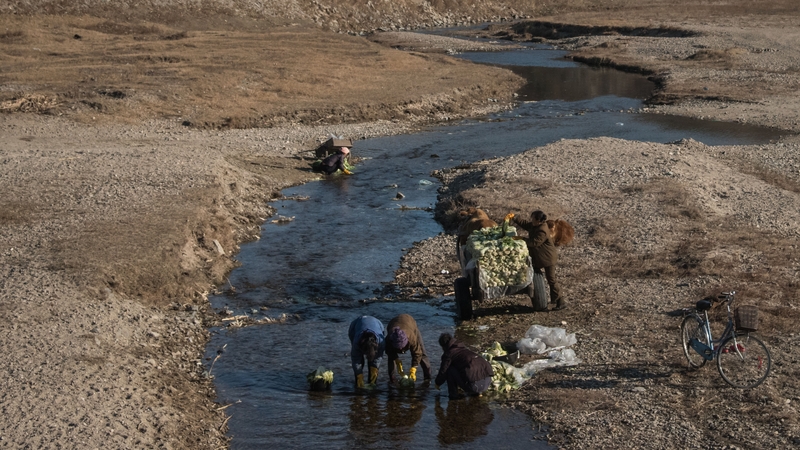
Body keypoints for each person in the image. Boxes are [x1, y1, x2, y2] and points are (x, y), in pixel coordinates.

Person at [513, 209, 567, 311]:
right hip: (541, 257)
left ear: (538, 220)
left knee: (551, 279)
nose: (531, 220)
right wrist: (515, 218)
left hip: (548, 258)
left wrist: (520, 239)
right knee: (540, 274)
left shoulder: (542, 230)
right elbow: (526, 225)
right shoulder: (536, 225)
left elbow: (534, 243)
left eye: (533, 218)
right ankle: (547, 299)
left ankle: (560, 301)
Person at [434, 333, 493, 400]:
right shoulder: (464, 350)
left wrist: (437, 383)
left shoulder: (449, 354)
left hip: (475, 386)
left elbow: (443, 371)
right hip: (487, 383)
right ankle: (478, 393)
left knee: (450, 369)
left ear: (443, 346)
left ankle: (453, 396)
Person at [385, 314, 432, 383]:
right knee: (391, 357)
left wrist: (414, 368)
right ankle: (392, 378)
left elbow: (417, 353)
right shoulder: (389, 338)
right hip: (394, 322)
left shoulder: (411, 337)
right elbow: (388, 350)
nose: (400, 349)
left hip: (410, 323)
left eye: (402, 347)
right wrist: (396, 359)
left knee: (421, 352)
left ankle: (427, 377)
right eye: (398, 347)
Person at [348, 315, 385, 388]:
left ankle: (372, 381)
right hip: (355, 326)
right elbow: (356, 359)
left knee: (373, 363)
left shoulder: (381, 342)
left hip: (377, 323)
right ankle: (358, 383)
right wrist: (359, 374)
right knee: (359, 360)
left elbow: (378, 358)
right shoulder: (357, 342)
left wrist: (375, 369)